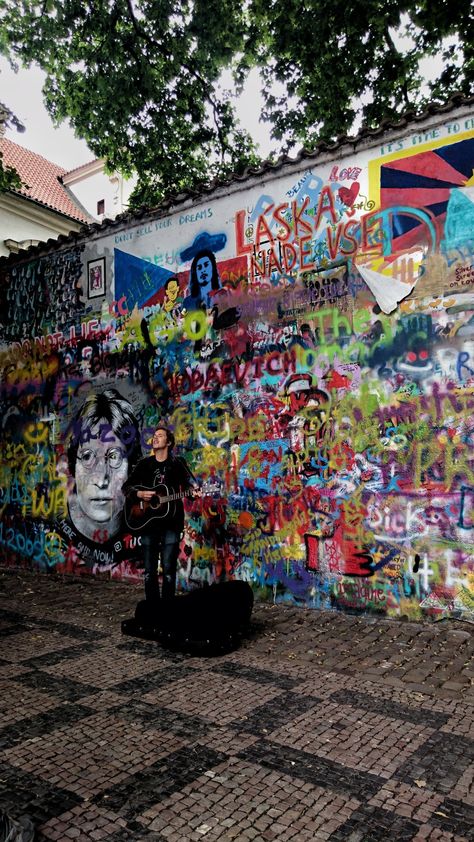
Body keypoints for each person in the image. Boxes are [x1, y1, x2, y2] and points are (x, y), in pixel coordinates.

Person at [57, 389, 142, 568]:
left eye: (114, 457)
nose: (101, 479)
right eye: (87, 456)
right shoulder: (52, 534)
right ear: (73, 465)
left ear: (131, 466)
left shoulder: (143, 538)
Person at [122, 424, 199, 602]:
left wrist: (194, 494)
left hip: (171, 524)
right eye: (154, 435)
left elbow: (188, 488)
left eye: (160, 435)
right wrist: (139, 494)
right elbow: (126, 487)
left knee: (169, 570)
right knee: (149, 572)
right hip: (148, 523)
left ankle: (168, 610)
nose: (155, 438)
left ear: (169, 442)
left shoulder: (177, 463)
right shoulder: (144, 464)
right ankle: (152, 609)